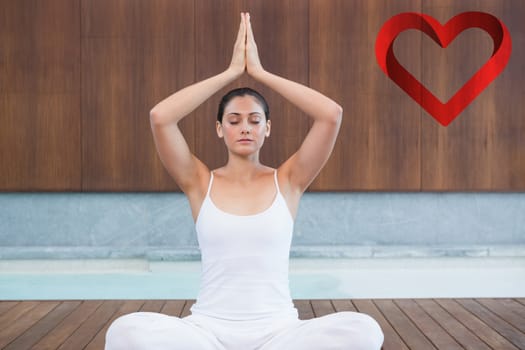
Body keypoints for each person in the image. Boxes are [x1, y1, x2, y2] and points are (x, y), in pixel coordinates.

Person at [105, 12, 384, 350]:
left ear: (267, 128)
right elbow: (160, 117)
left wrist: (262, 74)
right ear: (220, 129)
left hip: (279, 334)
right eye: (234, 120)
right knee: (124, 331)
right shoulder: (198, 182)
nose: (245, 128)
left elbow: (331, 114)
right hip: (207, 333)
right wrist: (230, 73)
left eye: (255, 120)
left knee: (365, 330)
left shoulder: (290, 180)